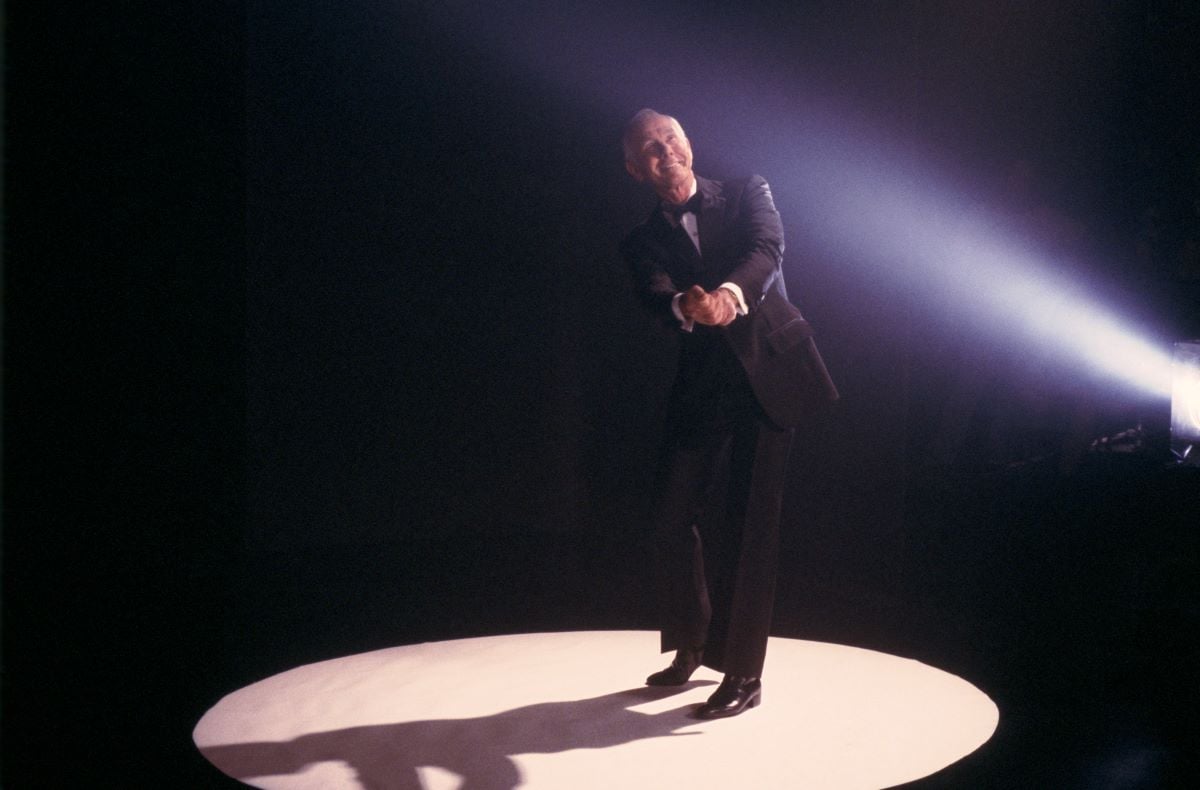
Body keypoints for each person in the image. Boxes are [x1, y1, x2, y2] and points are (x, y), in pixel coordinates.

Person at [619, 109, 837, 719]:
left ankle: (742, 672)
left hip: (770, 367)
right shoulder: (639, 240)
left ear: (687, 139)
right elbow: (655, 297)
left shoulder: (746, 190)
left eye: (670, 139)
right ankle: (691, 642)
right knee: (670, 513)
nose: (666, 153)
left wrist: (727, 297)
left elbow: (767, 247)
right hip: (703, 381)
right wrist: (687, 305)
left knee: (749, 522)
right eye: (650, 151)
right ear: (636, 169)